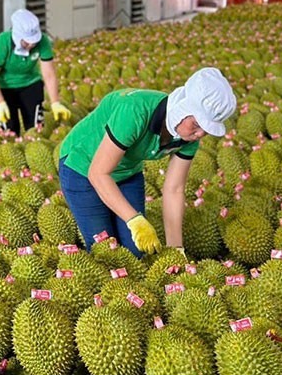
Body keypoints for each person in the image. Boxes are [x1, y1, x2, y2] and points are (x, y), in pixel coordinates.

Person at [58, 67, 237, 258]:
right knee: (105, 249)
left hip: (127, 171)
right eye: (196, 124)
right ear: (183, 109)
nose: (200, 134)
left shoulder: (189, 138)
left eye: (206, 128)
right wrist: (134, 220)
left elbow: (174, 189)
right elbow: (98, 173)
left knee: (136, 251)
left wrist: (176, 249)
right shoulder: (135, 110)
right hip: (82, 167)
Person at [0, 9, 71, 135]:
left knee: (36, 129)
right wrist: (0, 103)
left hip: (31, 84)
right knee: (9, 131)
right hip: (5, 87)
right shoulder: (2, 43)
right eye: (26, 42)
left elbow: (49, 75)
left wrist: (55, 102)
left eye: (34, 41)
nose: (31, 45)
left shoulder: (43, 42)